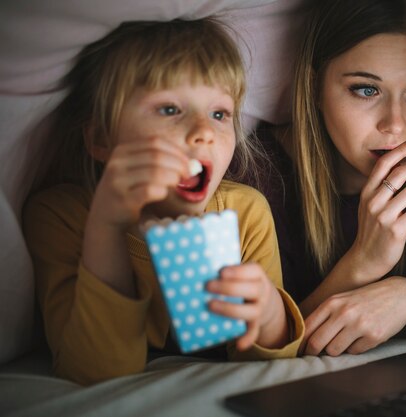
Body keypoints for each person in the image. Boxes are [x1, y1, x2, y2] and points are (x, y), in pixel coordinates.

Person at [22, 18, 304, 385]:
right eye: (170, 109)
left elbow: (268, 364)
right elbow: (97, 370)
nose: (204, 132)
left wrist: (268, 316)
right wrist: (107, 224)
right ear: (101, 139)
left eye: (219, 114)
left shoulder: (245, 213)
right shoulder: (59, 217)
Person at [250, 0, 406, 357]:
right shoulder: (255, 178)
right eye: (366, 89)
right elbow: (250, 353)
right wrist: (363, 262)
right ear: (316, 87)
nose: (395, 124)